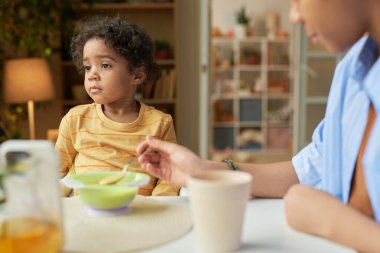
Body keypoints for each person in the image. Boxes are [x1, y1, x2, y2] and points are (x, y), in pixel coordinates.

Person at [136, 0, 380, 251]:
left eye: (298, 1)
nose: (294, 16)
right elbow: (307, 171)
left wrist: (334, 222)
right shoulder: (351, 72)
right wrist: (203, 171)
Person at [56, 15, 180, 196]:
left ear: (137, 75)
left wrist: (157, 206)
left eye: (105, 65)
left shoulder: (160, 123)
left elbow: (168, 178)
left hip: (137, 212)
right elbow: (56, 172)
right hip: (84, 210)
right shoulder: (75, 120)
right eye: (87, 67)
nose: (92, 75)